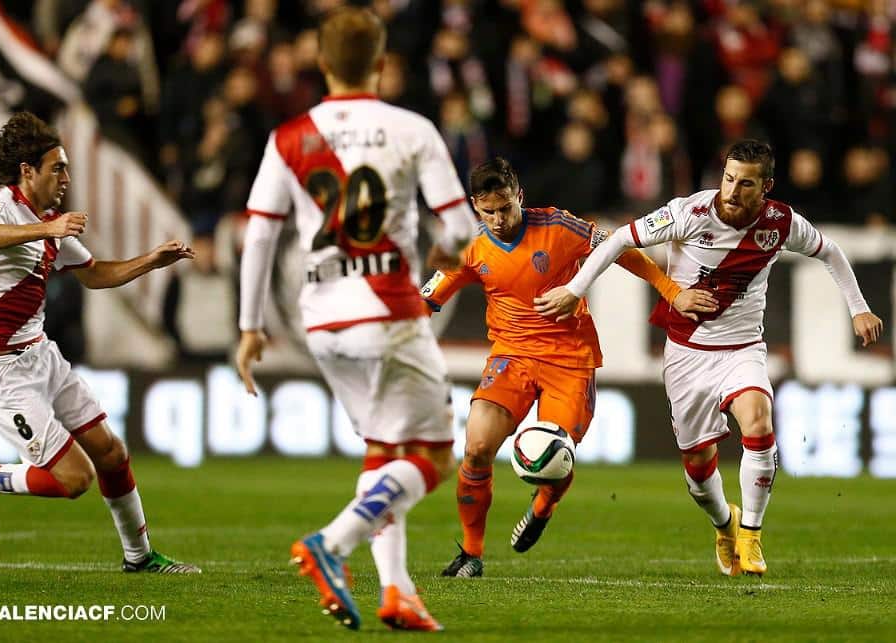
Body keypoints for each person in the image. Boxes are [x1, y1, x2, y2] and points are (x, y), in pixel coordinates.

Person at [535, 140, 883, 576]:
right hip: (687, 355)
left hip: (742, 350)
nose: (733, 190)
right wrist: (575, 289)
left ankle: (753, 537)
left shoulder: (780, 222)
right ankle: (725, 524)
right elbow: (621, 238)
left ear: (766, 187)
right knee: (698, 471)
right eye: (729, 178)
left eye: (746, 183)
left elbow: (829, 250)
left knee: (758, 420)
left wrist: (859, 307)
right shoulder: (689, 213)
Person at [234, 7, 477, 632]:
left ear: (321, 63)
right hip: (387, 310)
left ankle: (396, 590)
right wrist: (447, 249)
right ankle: (332, 543)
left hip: (320, 318)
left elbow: (259, 236)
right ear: (381, 62)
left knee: (383, 448)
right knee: (436, 453)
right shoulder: (412, 129)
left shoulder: (290, 136)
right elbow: (459, 227)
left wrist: (250, 326)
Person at [420, 158, 717, 577]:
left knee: (556, 461)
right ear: (475, 207)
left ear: (519, 196)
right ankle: (471, 554)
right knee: (476, 450)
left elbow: (618, 248)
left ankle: (544, 505)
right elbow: (426, 301)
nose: (499, 219)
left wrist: (672, 291)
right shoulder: (470, 251)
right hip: (511, 357)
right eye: (489, 212)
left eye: (506, 207)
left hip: (569, 361)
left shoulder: (560, 227)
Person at [0, 111, 200, 574]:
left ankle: (139, 558)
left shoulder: (49, 224)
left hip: (41, 354)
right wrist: (49, 229)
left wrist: (152, 260)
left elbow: (97, 274)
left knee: (112, 454)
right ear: (28, 171)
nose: (66, 176)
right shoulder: (1, 208)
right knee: (75, 479)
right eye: (57, 167)